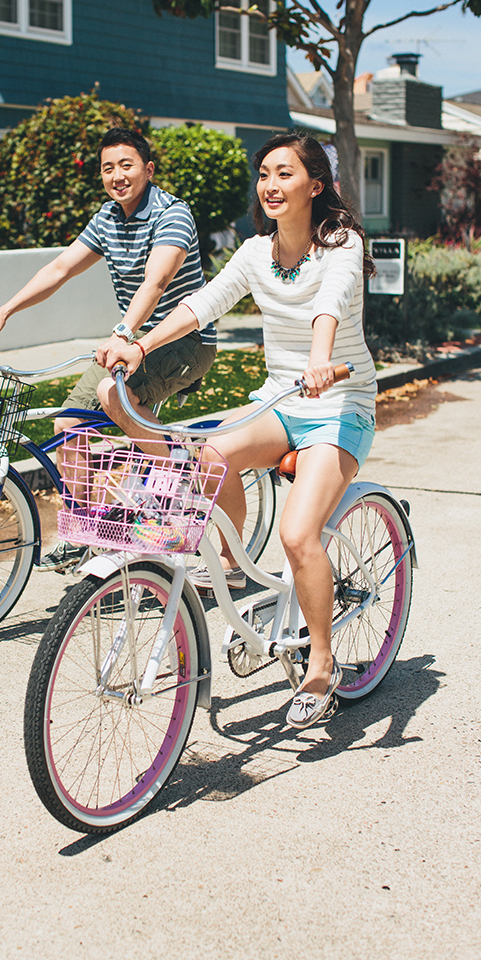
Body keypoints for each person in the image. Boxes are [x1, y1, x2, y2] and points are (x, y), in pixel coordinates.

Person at [98, 130, 377, 728]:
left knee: (298, 535)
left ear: (316, 185)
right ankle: (230, 564)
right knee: (210, 453)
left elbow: (329, 303)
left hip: (338, 403)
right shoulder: (255, 251)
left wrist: (319, 362)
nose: (271, 185)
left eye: (285, 174)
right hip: (280, 400)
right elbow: (202, 304)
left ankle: (321, 665)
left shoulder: (342, 245)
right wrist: (139, 345)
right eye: (264, 174)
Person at [0, 126, 217, 564]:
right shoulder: (108, 218)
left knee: (114, 396)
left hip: (185, 339)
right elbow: (60, 269)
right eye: (108, 168)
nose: (117, 176)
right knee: (68, 425)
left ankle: (179, 470)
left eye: (127, 165)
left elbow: (157, 280)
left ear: (148, 169)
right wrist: (5, 310)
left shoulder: (173, 214)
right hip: (132, 340)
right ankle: (83, 530)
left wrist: (122, 332)